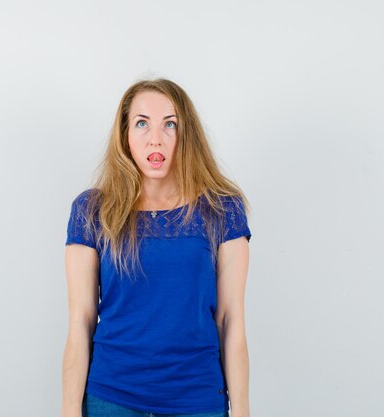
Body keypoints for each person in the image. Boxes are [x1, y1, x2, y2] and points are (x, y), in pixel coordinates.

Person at [61, 78, 252, 417]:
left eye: (170, 124)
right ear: (125, 136)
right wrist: (69, 409)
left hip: (197, 398)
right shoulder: (92, 211)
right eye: (141, 123)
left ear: (185, 134)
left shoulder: (222, 209)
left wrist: (242, 411)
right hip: (112, 397)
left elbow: (231, 319)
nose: (156, 138)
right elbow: (81, 320)